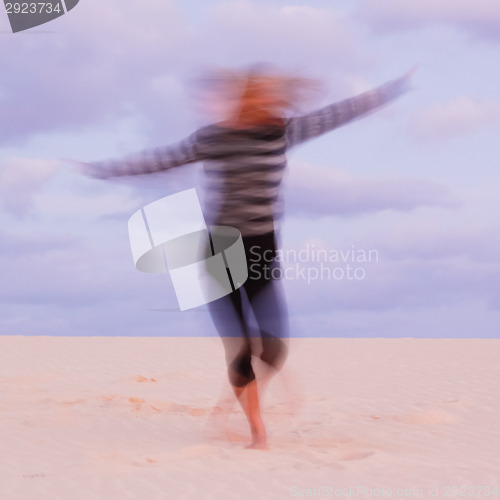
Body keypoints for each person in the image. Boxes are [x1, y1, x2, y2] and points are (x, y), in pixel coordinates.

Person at [73, 64, 415, 449]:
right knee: (239, 349)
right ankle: (257, 433)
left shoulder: (282, 132)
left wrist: (387, 91)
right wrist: (103, 170)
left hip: (261, 248)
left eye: (269, 95)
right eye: (256, 95)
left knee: (273, 347)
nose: (264, 102)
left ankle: (235, 402)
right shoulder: (215, 138)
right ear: (245, 99)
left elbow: (338, 114)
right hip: (220, 248)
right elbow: (162, 159)